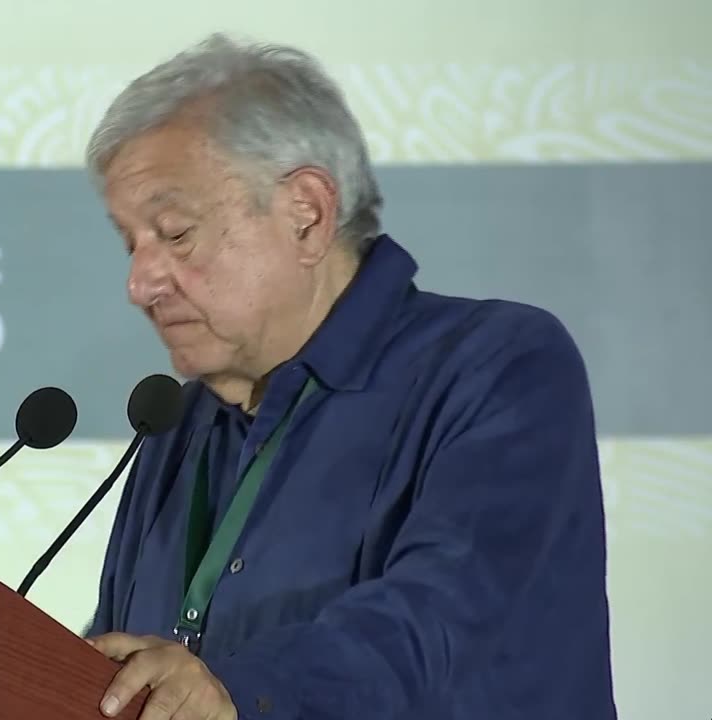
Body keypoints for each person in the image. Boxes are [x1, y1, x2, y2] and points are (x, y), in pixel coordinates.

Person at [81, 33, 616, 720]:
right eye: (132, 244)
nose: (140, 283)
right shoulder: (174, 426)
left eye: (175, 233)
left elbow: (440, 628)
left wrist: (233, 692)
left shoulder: (498, 365)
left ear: (306, 214)